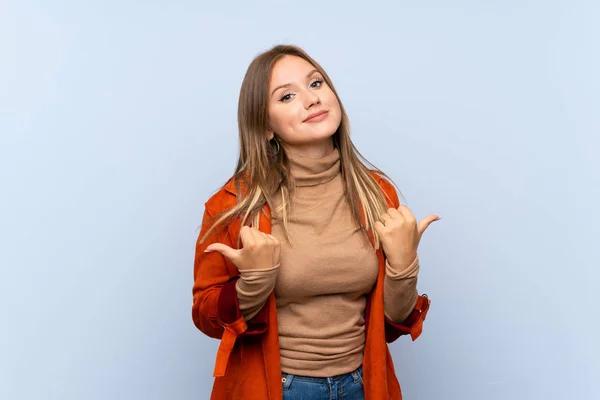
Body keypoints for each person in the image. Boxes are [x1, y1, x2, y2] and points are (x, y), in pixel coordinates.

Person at [192, 44, 438, 400]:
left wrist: (404, 267)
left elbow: (391, 325)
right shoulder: (233, 205)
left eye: (317, 83)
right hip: (280, 389)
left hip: (363, 385)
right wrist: (252, 285)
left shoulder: (377, 193)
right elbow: (205, 315)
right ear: (265, 126)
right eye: (288, 95)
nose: (311, 100)